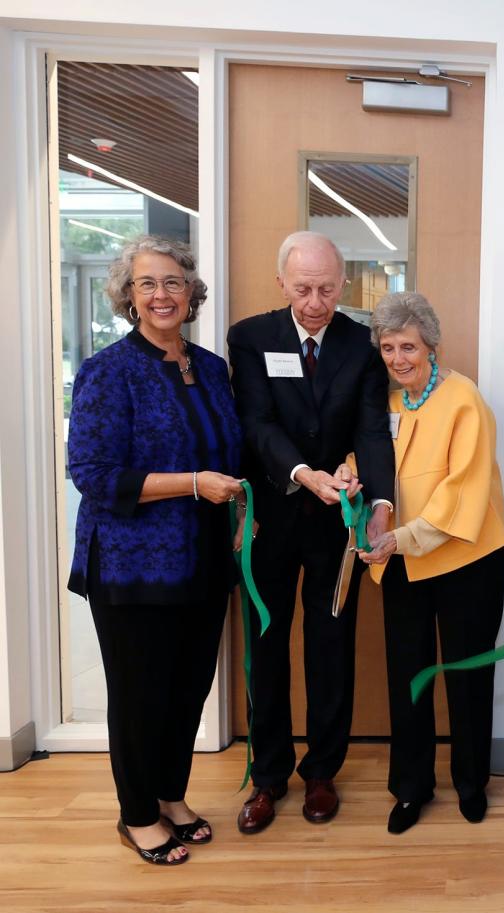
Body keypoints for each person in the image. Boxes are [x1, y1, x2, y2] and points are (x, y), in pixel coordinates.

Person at [68, 235, 244, 864]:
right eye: (147, 284)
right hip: (131, 563)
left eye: (172, 282)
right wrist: (194, 484)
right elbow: (92, 472)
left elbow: (232, 453)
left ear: (191, 292)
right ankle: (136, 814)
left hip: (202, 558)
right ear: (128, 296)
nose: (161, 294)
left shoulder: (212, 368)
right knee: (140, 693)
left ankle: (171, 795)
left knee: (188, 687)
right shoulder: (108, 371)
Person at [227, 231, 395, 833]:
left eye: (327, 288)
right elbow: (256, 421)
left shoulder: (361, 343)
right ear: (281, 283)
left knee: (331, 649)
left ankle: (322, 771)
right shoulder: (250, 338)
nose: (316, 301)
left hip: (335, 527)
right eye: (303, 288)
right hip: (270, 519)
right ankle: (268, 777)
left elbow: (374, 428)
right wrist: (302, 472)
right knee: (267, 648)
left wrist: (380, 501)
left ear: (342, 284)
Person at [347, 292, 504, 833]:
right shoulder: (387, 404)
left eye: (408, 346)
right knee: (408, 676)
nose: (398, 358)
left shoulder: (464, 399)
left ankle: (470, 783)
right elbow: (367, 462)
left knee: (467, 674)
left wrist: (403, 537)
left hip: (466, 557)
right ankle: (411, 788)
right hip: (404, 562)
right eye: (388, 347)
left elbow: (463, 489)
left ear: (431, 346)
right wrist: (351, 482)